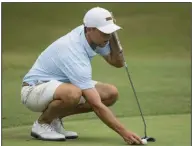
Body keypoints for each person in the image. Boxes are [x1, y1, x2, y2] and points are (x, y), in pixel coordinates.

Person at [21, 7, 143, 145]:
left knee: (110, 93)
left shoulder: (94, 37)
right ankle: (42, 124)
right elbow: (96, 104)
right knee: (73, 93)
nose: (107, 37)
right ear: (90, 29)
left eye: (109, 32)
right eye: (105, 33)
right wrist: (124, 133)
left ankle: (53, 119)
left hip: (59, 87)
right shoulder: (73, 50)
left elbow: (118, 62)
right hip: (33, 90)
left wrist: (113, 34)